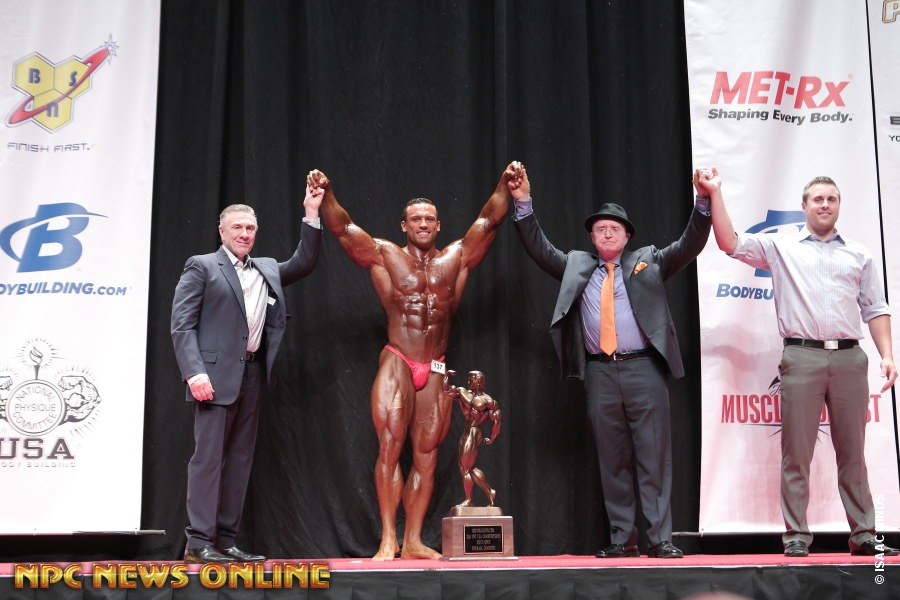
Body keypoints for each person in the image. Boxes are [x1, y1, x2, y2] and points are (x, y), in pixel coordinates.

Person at [309, 161, 523, 560]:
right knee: (390, 448)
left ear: (438, 225)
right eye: (415, 219)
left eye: (429, 219)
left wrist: (505, 183)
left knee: (427, 455)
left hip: (436, 363)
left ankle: (412, 541)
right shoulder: (386, 255)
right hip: (398, 360)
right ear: (404, 225)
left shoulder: (456, 257)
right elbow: (343, 228)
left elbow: (489, 220)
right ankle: (388, 538)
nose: (423, 224)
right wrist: (327, 194)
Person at [697, 168, 900, 558]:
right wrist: (716, 192)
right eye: (818, 199)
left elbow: (876, 308)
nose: (825, 204)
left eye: (831, 199)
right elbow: (729, 242)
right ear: (804, 206)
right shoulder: (781, 246)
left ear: (839, 206)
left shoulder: (859, 254)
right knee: (797, 451)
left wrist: (888, 355)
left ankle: (864, 534)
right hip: (801, 355)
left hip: (850, 358)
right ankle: (796, 534)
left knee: (853, 453)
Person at [512, 167, 712, 559]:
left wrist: (703, 201)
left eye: (614, 229)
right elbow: (539, 248)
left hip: (644, 370)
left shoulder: (649, 260)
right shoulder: (577, 265)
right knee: (612, 458)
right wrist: (522, 203)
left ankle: (660, 539)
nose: (607, 234)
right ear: (592, 237)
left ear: (627, 236)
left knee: (653, 456)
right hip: (600, 372)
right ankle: (623, 538)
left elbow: (690, 243)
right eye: (600, 229)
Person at [171, 189, 323, 563]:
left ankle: (225, 540)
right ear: (222, 231)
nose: (244, 233)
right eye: (237, 227)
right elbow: (182, 325)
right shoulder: (202, 266)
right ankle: (198, 542)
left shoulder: (266, 268)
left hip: (252, 374)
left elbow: (304, 262)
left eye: (250, 228)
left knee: (239, 461)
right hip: (212, 378)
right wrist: (194, 373)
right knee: (208, 460)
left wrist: (311, 213)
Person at [443, 370, 502, 509]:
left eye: (472, 379)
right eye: (468, 378)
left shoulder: (488, 401)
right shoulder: (463, 392)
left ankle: (469, 500)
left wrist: (492, 437)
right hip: (467, 431)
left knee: (465, 468)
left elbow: (497, 420)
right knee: (466, 468)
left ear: (479, 381)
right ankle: (490, 492)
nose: (468, 381)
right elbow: (446, 391)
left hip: (475, 432)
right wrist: (446, 376)